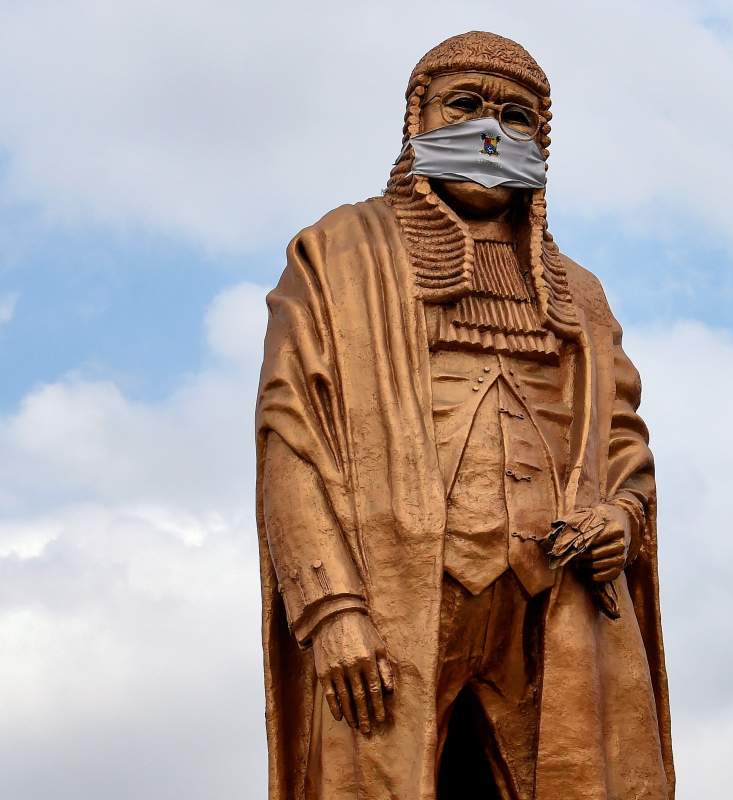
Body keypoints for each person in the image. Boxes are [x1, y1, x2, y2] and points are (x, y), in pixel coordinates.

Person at [255, 30, 674, 800]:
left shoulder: (579, 292)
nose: (492, 130)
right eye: (467, 105)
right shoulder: (340, 252)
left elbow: (626, 448)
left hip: (556, 599)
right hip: (394, 594)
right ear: (419, 119)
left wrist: (620, 515)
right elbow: (292, 439)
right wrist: (330, 608)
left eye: (516, 117)